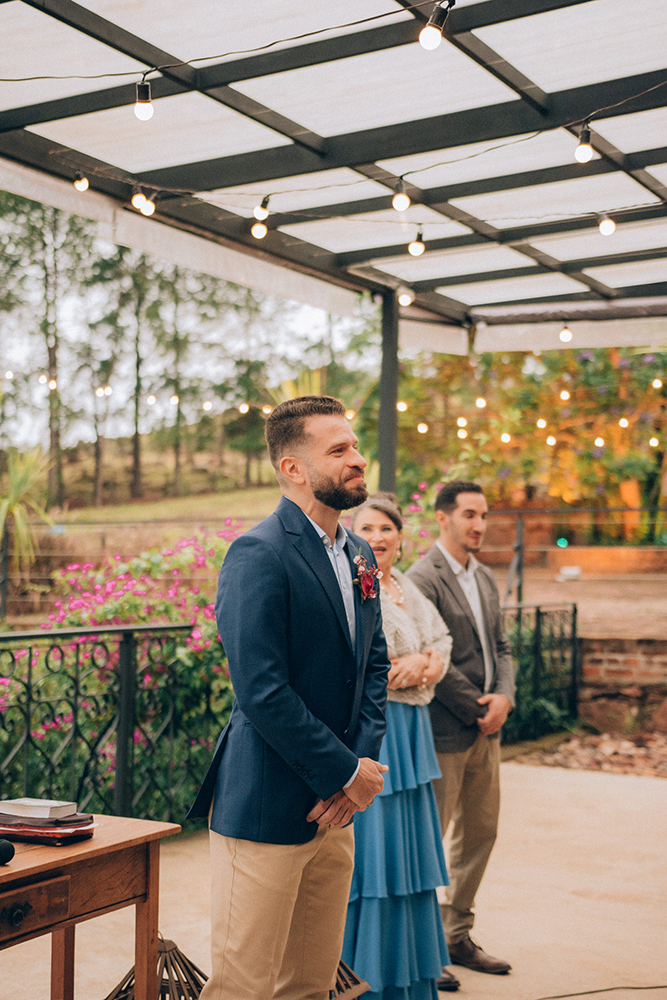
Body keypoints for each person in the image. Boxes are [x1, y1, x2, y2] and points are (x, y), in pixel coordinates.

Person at [188, 395, 390, 1000]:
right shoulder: (259, 553)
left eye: (354, 446)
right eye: (339, 450)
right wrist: (344, 771)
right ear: (293, 469)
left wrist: (358, 771)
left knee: (310, 984)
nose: (357, 459)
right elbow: (261, 690)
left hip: (339, 809)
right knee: (244, 986)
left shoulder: (356, 553)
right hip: (267, 805)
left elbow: (373, 665)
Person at [342, 493, 460, 997]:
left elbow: (442, 640)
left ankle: (407, 977)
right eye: (367, 528)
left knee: (408, 862)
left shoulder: (406, 587)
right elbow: (348, 661)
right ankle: (362, 976)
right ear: (353, 535)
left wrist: (428, 665)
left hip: (415, 737)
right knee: (375, 859)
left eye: (387, 528)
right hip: (378, 731)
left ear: (399, 536)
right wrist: (397, 674)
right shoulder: (351, 585)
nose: (378, 537)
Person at [406, 481, 515, 983]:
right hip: (445, 730)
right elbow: (434, 659)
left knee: (481, 833)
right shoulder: (420, 578)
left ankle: (457, 933)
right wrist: (478, 707)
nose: (479, 524)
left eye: (484, 515)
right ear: (443, 518)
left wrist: (505, 698)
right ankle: (428, 949)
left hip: (487, 731)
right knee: (432, 841)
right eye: (470, 514)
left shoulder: (487, 577)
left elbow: (503, 645)